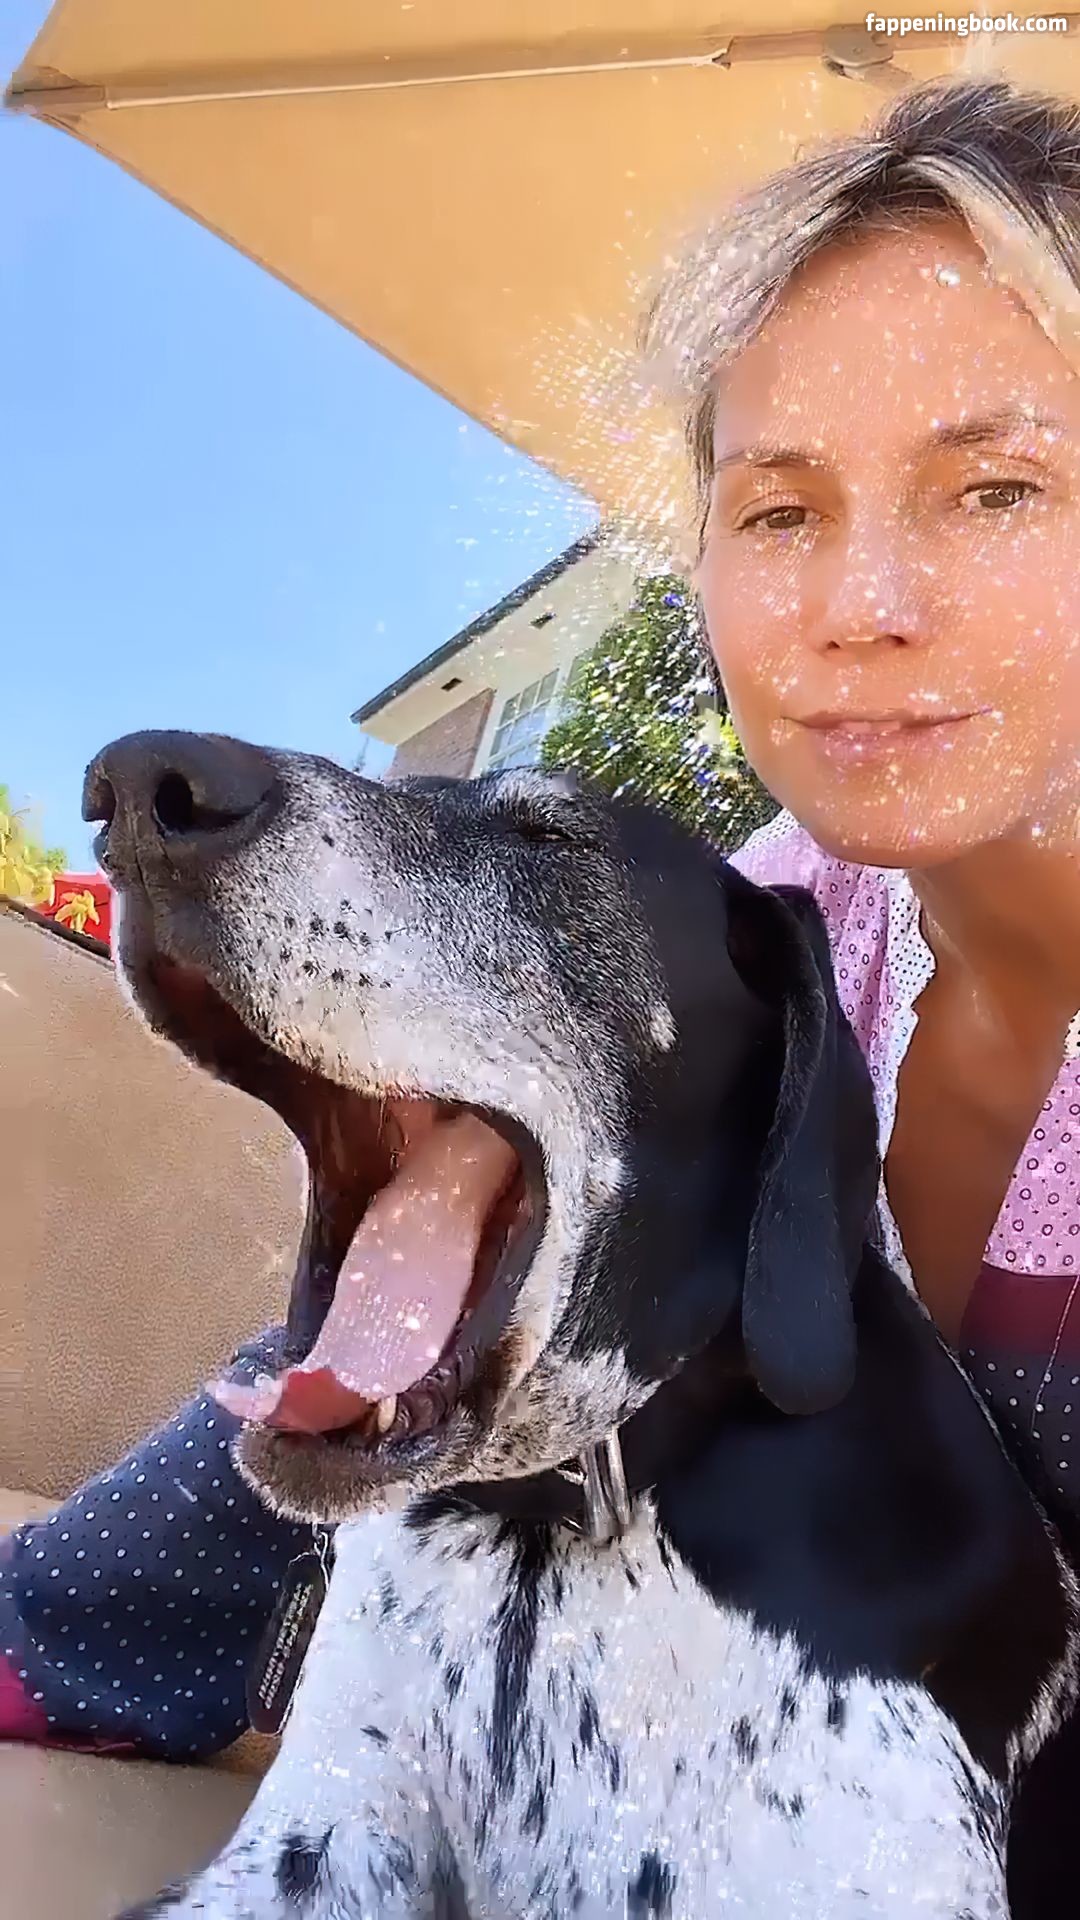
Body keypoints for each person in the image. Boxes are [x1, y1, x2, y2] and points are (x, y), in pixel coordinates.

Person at [2, 70, 1078, 1905]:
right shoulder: (755, 930)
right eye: (778, 511)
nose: (858, 604)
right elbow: (451, 1297)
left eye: (996, 487)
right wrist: (51, 1632)